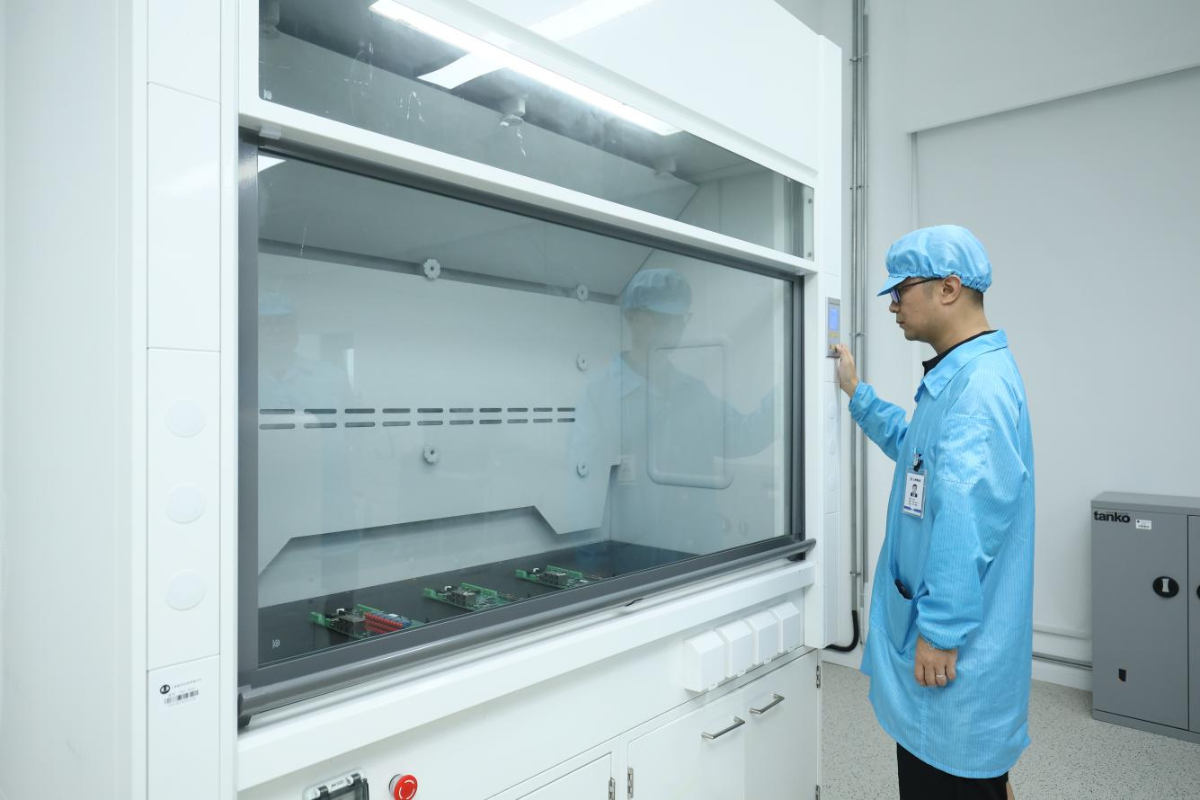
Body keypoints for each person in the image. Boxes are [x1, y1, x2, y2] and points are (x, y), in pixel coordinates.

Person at [834, 225, 1034, 800]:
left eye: (900, 290)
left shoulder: (977, 390)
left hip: (954, 657)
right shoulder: (959, 376)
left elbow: (966, 522)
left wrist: (941, 632)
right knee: (975, 776)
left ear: (948, 288)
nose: (892, 305)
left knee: (954, 777)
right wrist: (858, 394)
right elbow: (916, 451)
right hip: (950, 644)